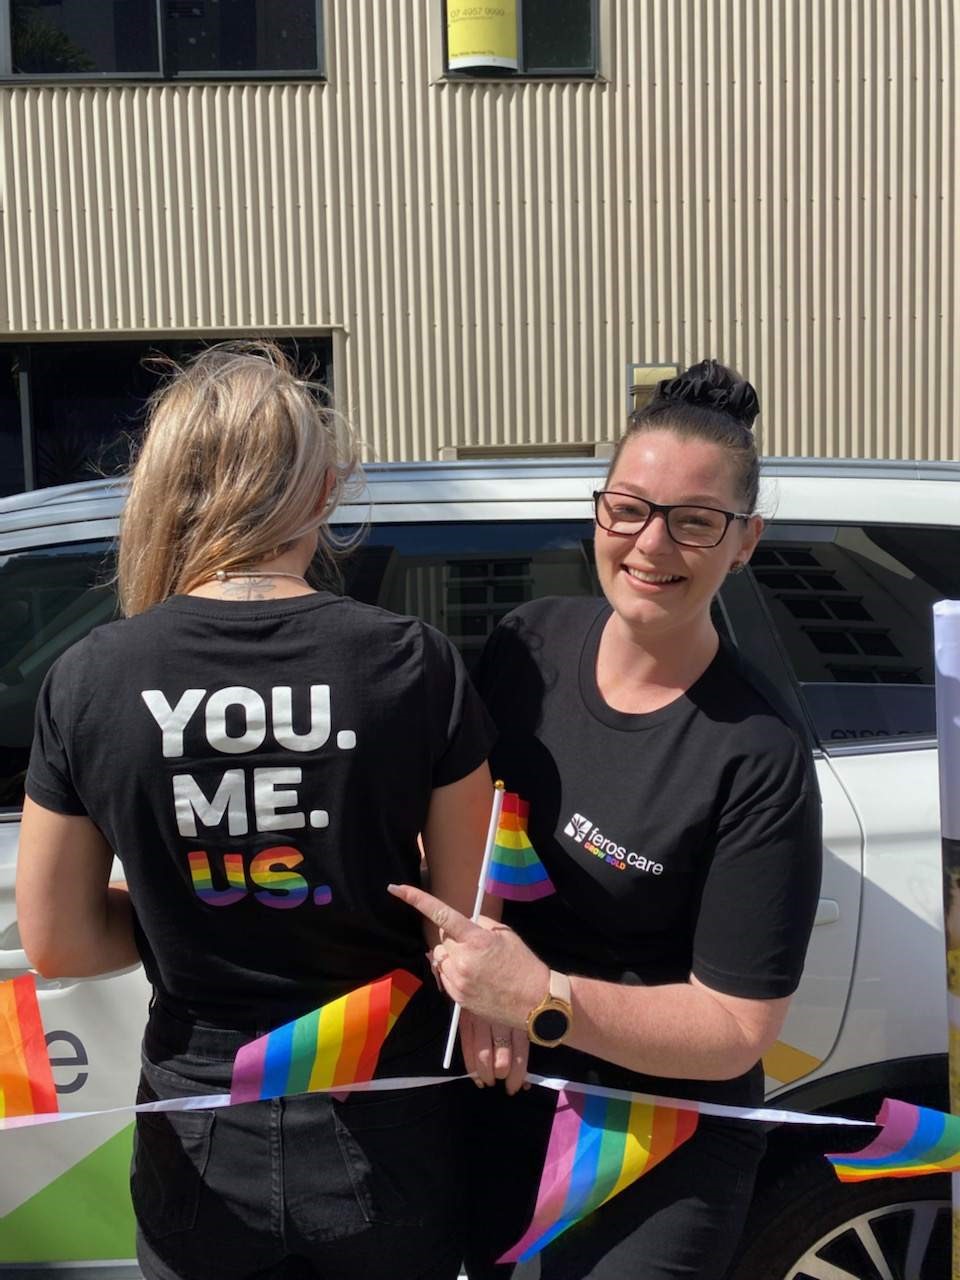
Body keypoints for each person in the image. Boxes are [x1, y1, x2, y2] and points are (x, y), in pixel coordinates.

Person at [16, 342, 496, 1280]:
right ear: (321, 492)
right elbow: (466, 915)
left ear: (168, 488)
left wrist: (183, 904)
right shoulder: (412, 662)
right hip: (385, 1102)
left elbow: (61, 941)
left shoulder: (89, 677)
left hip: (197, 1116)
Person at [390, 359, 823, 1280]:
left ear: (745, 541)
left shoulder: (757, 751)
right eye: (628, 508)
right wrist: (479, 972)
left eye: (694, 521)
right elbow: (467, 830)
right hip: (500, 1086)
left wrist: (539, 1000)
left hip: (666, 1139)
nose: (650, 545)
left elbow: (736, 1028)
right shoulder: (526, 645)